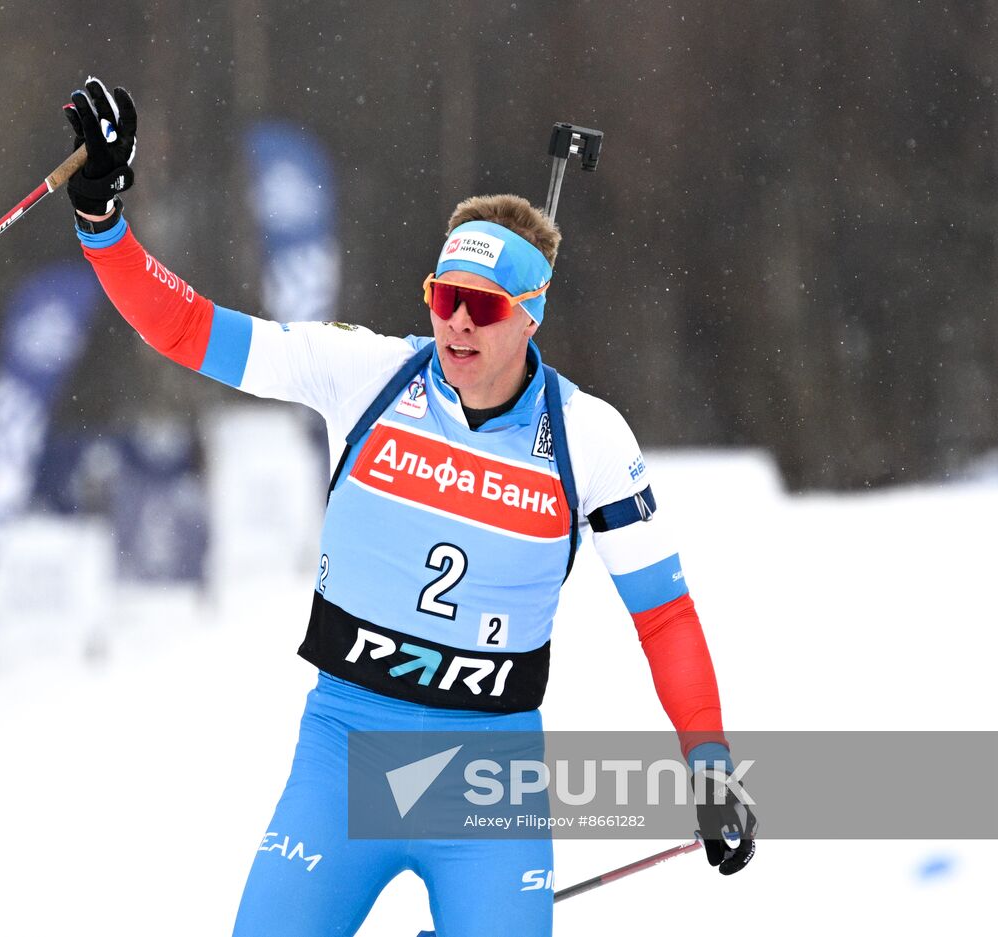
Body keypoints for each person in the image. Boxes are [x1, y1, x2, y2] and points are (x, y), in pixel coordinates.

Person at [63, 77, 757, 937]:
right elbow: (187, 329)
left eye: (484, 306)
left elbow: (664, 615)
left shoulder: (589, 437)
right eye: (443, 296)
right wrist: (103, 220)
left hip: (487, 776)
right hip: (346, 748)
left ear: (530, 316)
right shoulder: (364, 375)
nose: (457, 324)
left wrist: (709, 761)